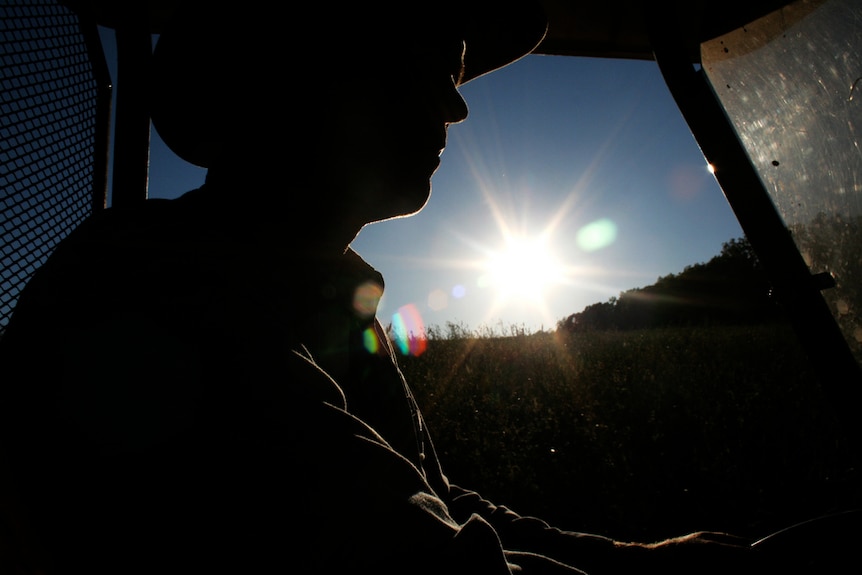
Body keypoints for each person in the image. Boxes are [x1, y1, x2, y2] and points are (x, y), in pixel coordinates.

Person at [0, 1, 813, 573]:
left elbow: (436, 502)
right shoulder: (150, 294)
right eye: (428, 57)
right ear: (306, 55)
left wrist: (649, 564)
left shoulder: (304, 288)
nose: (457, 105)